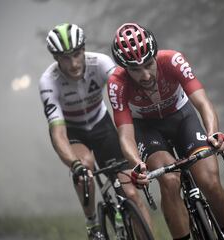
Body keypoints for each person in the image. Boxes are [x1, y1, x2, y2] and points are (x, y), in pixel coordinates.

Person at [108, 22, 224, 240]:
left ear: (155, 55)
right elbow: (125, 135)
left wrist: (213, 133)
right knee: (170, 180)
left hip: (182, 118)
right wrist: (137, 164)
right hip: (148, 130)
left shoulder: (173, 60)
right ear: (124, 68)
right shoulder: (117, 84)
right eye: (135, 69)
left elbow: (203, 103)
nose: (145, 75)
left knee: (210, 182)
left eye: (148, 64)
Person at [39, 23, 152, 240]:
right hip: (74, 132)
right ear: (55, 58)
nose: (73, 63)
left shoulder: (100, 63)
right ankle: (92, 224)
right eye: (65, 58)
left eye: (77, 54)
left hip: (102, 125)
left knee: (131, 193)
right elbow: (58, 134)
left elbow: (126, 96)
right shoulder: (48, 82)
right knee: (85, 171)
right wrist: (75, 164)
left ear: (84, 49)